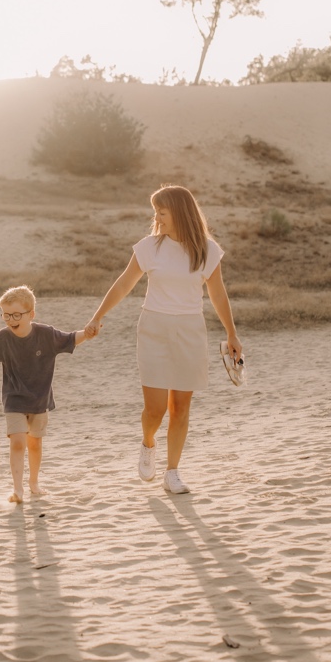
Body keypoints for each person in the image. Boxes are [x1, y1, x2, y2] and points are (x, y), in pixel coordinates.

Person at [83, 184, 241, 495]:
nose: (157, 217)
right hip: (153, 328)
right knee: (155, 409)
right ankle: (148, 443)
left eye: (162, 212)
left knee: (181, 406)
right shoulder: (148, 247)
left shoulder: (208, 250)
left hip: (190, 331)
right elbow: (124, 284)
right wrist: (97, 315)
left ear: (180, 213)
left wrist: (232, 333)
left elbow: (218, 294)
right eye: (156, 211)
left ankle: (173, 472)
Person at [0, 285, 95, 504]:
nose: (10, 320)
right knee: (18, 442)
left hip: (40, 400)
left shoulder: (46, 334)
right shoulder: (1, 338)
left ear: (31, 314)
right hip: (14, 399)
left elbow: (71, 339)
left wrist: (88, 333)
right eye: (6, 315)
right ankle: (17, 489)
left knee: (35, 444)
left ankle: (34, 483)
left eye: (16, 315)